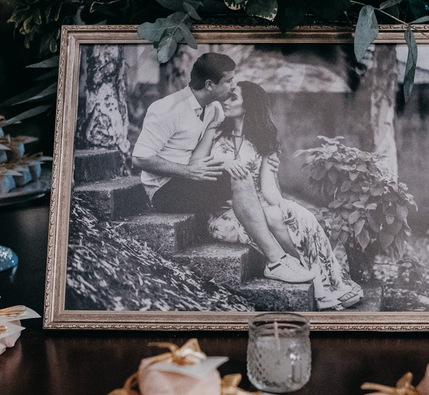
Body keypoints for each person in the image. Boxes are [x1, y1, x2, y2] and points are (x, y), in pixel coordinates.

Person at [131, 53, 314, 284]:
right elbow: (140, 158)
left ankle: (299, 261)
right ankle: (276, 261)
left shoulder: (214, 109)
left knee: (240, 172)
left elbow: (229, 143)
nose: (232, 86)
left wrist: (268, 161)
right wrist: (188, 171)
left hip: (196, 179)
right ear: (210, 84)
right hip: (164, 190)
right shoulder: (166, 108)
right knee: (237, 175)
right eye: (229, 81)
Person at [190, 80, 365, 311]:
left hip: (257, 206)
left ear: (249, 105)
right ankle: (322, 284)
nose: (226, 101)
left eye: (233, 97)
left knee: (287, 215)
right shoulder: (215, 131)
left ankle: (327, 280)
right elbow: (194, 164)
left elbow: (267, 187)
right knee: (272, 216)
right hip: (225, 213)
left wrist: (283, 205)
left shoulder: (263, 140)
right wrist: (223, 163)